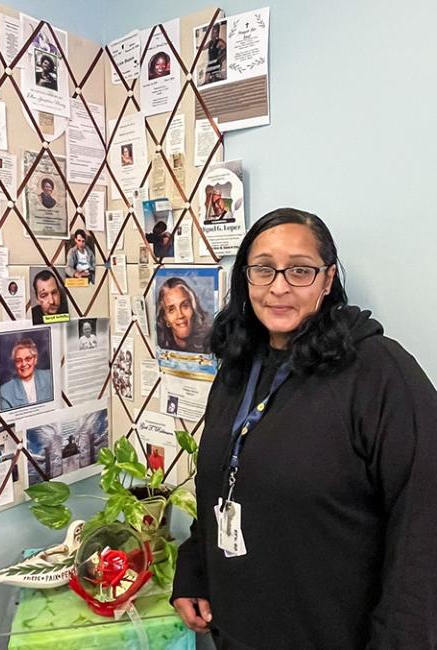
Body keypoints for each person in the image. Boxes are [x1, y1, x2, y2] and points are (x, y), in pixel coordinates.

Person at [171, 207, 437, 649]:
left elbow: (424, 533)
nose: (279, 286)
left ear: (328, 280)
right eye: (263, 269)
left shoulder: (380, 374)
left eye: (299, 270)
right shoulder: (237, 367)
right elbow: (224, 483)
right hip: (236, 632)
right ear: (246, 278)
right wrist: (195, 567)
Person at [156, 277, 210, 353]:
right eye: (171, 310)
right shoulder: (160, 349)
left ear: (193, 308)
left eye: (185, 306)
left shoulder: (209, 343)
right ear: (165, 318)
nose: (180, 315)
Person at [0, 338, 53, 411]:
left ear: (35, 359)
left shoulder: (50, 377)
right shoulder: (5, 392)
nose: (24, 364)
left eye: (28, 359)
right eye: (19, 361)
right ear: (15, 363)